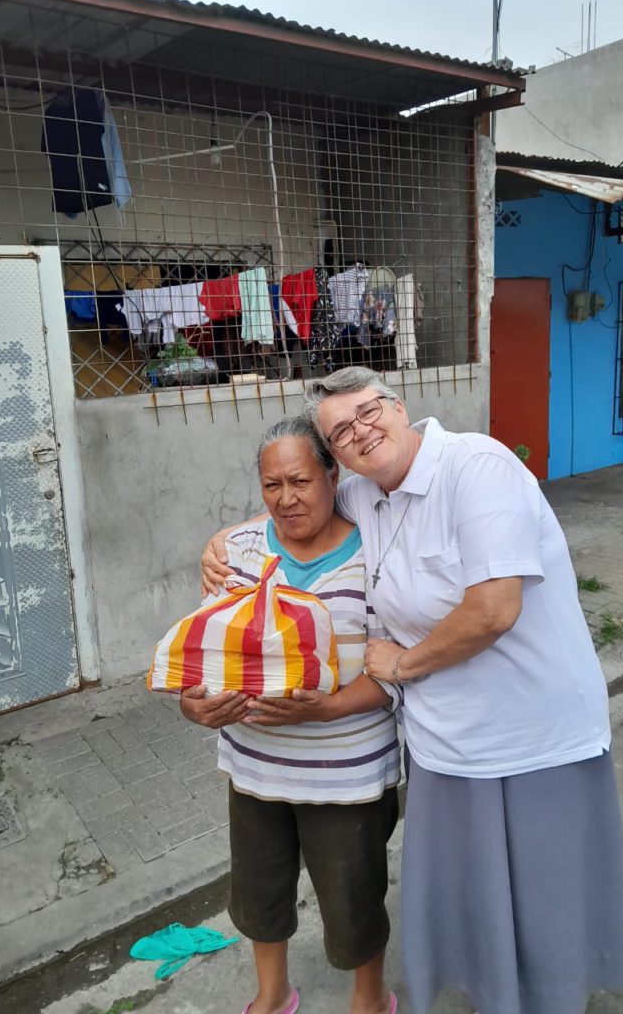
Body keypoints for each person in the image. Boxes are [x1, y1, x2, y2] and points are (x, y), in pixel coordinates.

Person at [202, 368, 623, 1014]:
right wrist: (223, 541)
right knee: (473, 895)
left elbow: (494, 608)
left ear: (399, 407)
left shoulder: (477, 468)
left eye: (368, 412)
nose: (360, 432)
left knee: (546, 893)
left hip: (532, 733)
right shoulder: (366, 493)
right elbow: (297, 500)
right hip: (444, 743)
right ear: (338, 455)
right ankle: (496, 997)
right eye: (341, 431)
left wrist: (404, 663)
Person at [180, 414, 401, 1014]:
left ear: (334, 477)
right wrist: (192, 700)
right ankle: (272, 995)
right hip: (255, 769)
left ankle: (369, 999)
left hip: (347, 774)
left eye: (300, 481)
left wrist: (325, 709)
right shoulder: (238, 552)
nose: (287, 498)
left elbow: (394, 675)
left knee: (353, 900)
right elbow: (209, 647)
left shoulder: (377, 556)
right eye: (272, 485)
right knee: (259, 894)